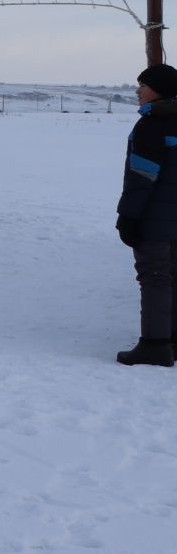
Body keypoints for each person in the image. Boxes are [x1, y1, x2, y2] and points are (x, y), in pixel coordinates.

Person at [115, 63, 177, 366]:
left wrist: (128, 217)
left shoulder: (153, 124)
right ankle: (171, 339)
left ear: (161, 91)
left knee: (154, 277)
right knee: (171, 277)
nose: (138, 90)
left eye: (144, 85)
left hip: (154, 216)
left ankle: (154, 345)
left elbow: (141, 178)